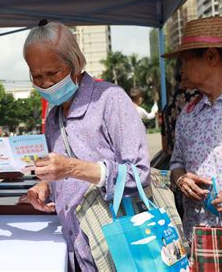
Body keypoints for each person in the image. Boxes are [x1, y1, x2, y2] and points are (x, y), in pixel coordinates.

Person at [23, 21, 150, 271]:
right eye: (37, 76)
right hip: (74, 246)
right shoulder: (53, 115)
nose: (45, 84)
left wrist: (71, 168)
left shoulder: (110, 99)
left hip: (116, 247)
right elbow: (61, 172)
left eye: (53, 73)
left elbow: (139, 173)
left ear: (76, 64)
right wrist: (46, 186)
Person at [165, 16, 222, 240]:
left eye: (185, 60)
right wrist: (181, 179)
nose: (181, 69)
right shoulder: (188, 114)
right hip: (199, 242)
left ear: (211, 56)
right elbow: (176, 163)